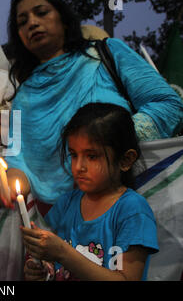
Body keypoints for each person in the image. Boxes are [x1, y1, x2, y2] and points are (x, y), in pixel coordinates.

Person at [0, 0, 183, 209]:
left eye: (41, 13)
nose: (32, 23)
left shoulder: (105, 54)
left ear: (63, 20)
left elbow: (168, 104)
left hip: (130, 203)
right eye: (22, 22)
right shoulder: (24, 96)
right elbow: (18, 162)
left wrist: (113, 142)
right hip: (61, 223)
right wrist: (8, 184)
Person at [21, 103, 159, 281]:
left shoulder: (133, 211)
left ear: (126, 160)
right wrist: (41, 270)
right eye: (74, 155)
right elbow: (53, 266)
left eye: (92, 156)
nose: (79, 167)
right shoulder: (67, 203)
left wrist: (63, 253)